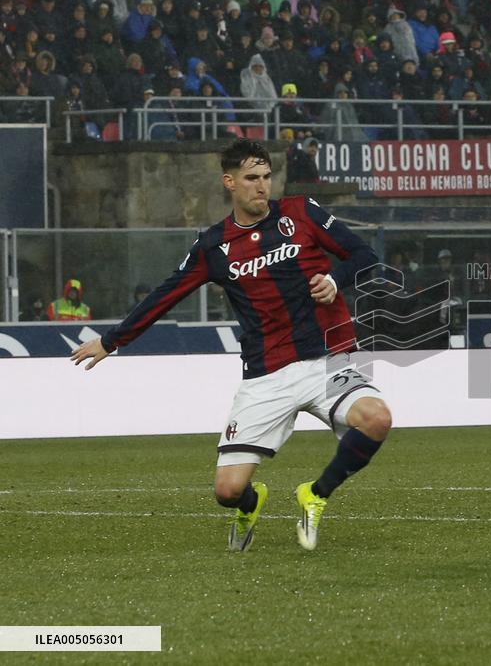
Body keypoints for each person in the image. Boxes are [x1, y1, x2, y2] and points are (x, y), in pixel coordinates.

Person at [70, 140, 391, 553]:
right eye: (251, 178)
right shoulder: (213, 246)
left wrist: (335, 279)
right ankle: (251, 503)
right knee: (227, 490)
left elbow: (365, 254)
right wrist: (112, 341)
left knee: (377, 418)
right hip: (267, 375)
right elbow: (165, 295)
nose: (262, 187)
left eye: (266, 177)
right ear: (230, 182)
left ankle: (315, 493)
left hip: (325, 361)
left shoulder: (303, 212)